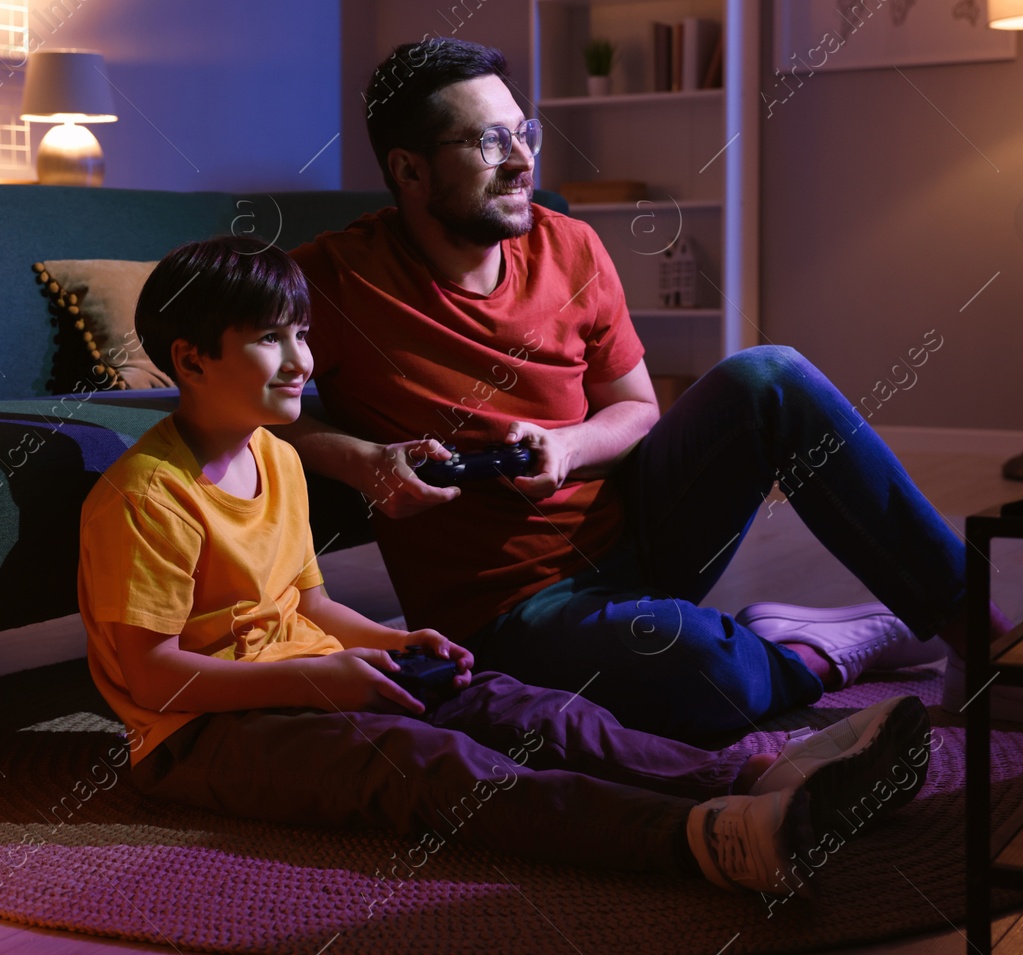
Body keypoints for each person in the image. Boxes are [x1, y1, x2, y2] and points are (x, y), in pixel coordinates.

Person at [284, 37, 1023, 740]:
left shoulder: (570, 247)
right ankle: (813, 650)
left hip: (640, 536)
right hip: (509, 609)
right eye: (490, 141)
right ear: (411, 172)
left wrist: (569, 446)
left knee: (768, 373)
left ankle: (985, 640)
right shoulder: (334, 281)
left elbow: (638, 407)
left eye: (523, 131)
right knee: (708, 672)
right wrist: (358, 460)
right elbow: (216, 400)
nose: (525, 157)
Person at [76, 237, 934, 898]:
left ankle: (749, 773)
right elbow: (151, 678)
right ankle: (705, 836)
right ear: (190, 359)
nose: (302, 358)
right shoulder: (146, 496)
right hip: (201, 737)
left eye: (303, 333)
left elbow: (307, 599)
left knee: (521, 705)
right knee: (443, 767)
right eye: (271, 338)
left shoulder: (283, 460)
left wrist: (389, 638)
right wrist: (322, 683)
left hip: (314, 675)